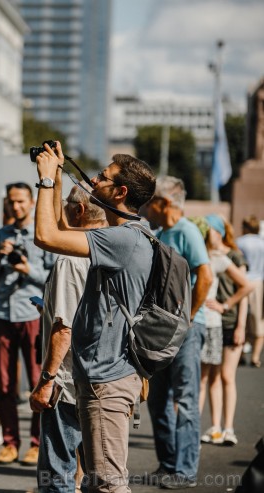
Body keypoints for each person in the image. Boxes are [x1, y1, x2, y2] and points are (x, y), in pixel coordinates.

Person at [34, 143, 156, 493]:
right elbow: (60, 229)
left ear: (120, 192)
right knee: (94, 483)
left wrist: (44, 182)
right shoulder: (128, 232)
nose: (94, 179)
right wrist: (56, 175)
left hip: (107, 382)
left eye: (103, 177)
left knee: (107, 484)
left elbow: (45, 236)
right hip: (103, 378)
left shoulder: (122, 239)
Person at [30, 183, 107, 493]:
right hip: (108, 377)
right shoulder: (116, 248)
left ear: (79, 211)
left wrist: (47, 380)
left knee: (57, 472)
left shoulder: (70, 260)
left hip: (70, 381)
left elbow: (64, 328)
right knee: (100, 472)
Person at [143, 176, 213, 489]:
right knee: (158, 401)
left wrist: (189, 318)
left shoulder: (186, 231)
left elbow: (206, 276)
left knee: (185, 400)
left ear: (164, 203)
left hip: (185, 330)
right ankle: (168, 464)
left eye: (149, 202)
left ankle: (183, 471)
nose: (146, 208)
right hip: (166, 329)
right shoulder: (164, 232)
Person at [0, 182, 53, 465]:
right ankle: (9, 442)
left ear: (32, 202)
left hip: (32, 313)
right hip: (3, 312)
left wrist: (27, 268)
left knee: (38, 378)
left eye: (21, 202)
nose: (16, 207)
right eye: (11, 202)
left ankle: (37, 443)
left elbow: (53, 277)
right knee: (4, 384)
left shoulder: (41, 234)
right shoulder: (2, 233)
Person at [193, 215, 252, 446]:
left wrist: (240, 325)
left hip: (230, 321)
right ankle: (215, 425)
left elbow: (244, 293)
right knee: (212, 377)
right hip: (215, 321)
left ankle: (229, 428)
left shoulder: (234, 256)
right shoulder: (206, 256)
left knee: (227, 376)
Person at [237, 215, 264, 368]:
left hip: (243, 282)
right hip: (259, 283)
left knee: (242, 321)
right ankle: (255, 357)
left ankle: (241, 355)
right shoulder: (262, 243)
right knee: (258, 321)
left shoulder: (240, 242)